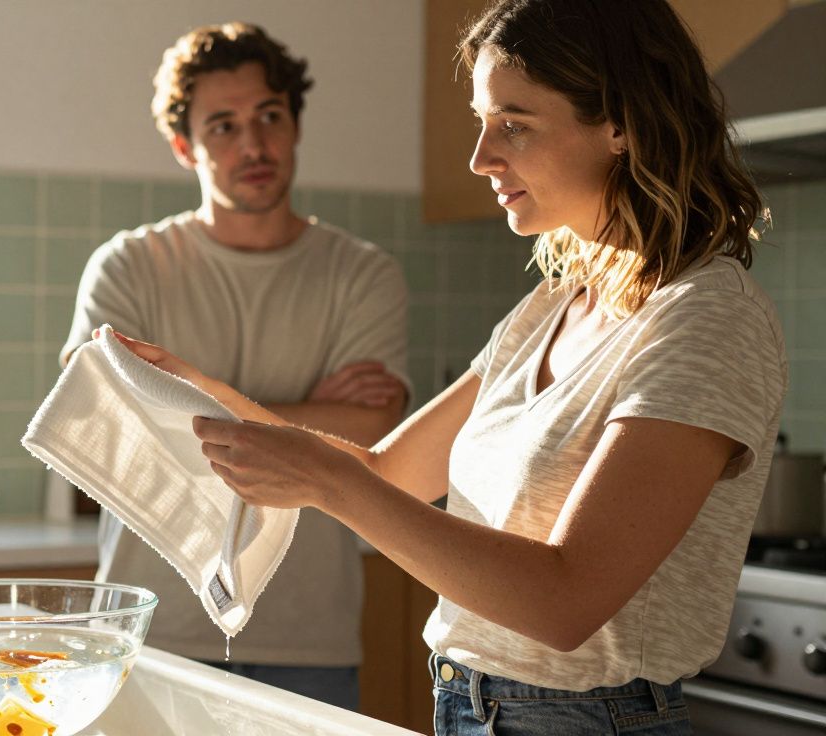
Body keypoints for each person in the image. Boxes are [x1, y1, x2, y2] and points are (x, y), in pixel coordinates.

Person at [107, 0, 787, 732]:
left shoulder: (708, 318)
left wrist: (326, 480)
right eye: (482, 122)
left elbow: (565, 602)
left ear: (619, 123)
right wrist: (195, 385)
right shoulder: (549, 308)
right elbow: (387, 471)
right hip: (467, 707)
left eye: (514, 125)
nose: (481, 157)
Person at [59, 22, 410, 710]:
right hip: (152, 633)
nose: (253, 144)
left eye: (269, 117)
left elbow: (371, 424)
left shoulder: (363, 273)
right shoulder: (129, 267)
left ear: (295, 126)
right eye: (223, 126)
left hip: (311, 635)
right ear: (184, 146)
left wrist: (174, 397)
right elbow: (102, 419)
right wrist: (305, 413)